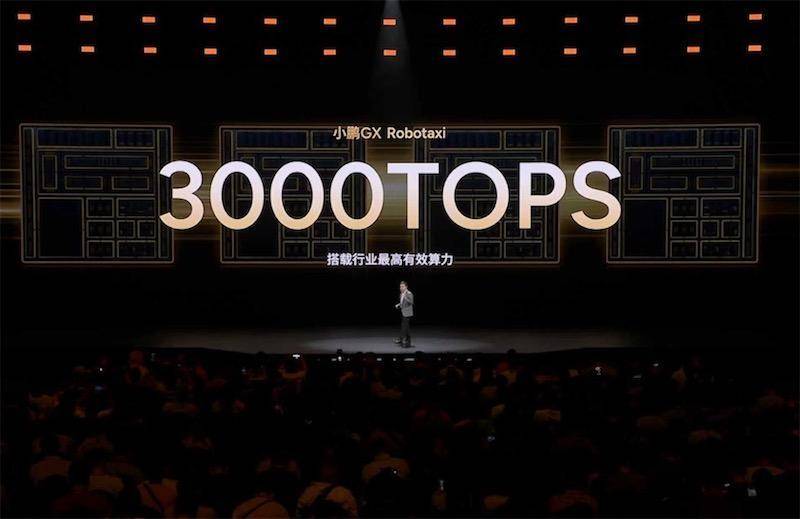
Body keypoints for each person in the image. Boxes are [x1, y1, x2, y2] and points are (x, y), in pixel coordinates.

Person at [393, 281, 414, 348]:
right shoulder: (401, 294)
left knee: (404, 327)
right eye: (400, 286)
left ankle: (402, 340)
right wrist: (398, 304)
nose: (401, 288)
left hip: (407, 313)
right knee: (406, 328)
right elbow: (402, 302)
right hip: (403, 312)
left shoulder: (409, 293)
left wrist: (405, 297)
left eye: (402, 286)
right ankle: (406, 341)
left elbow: (411, 302)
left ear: (406, 287)